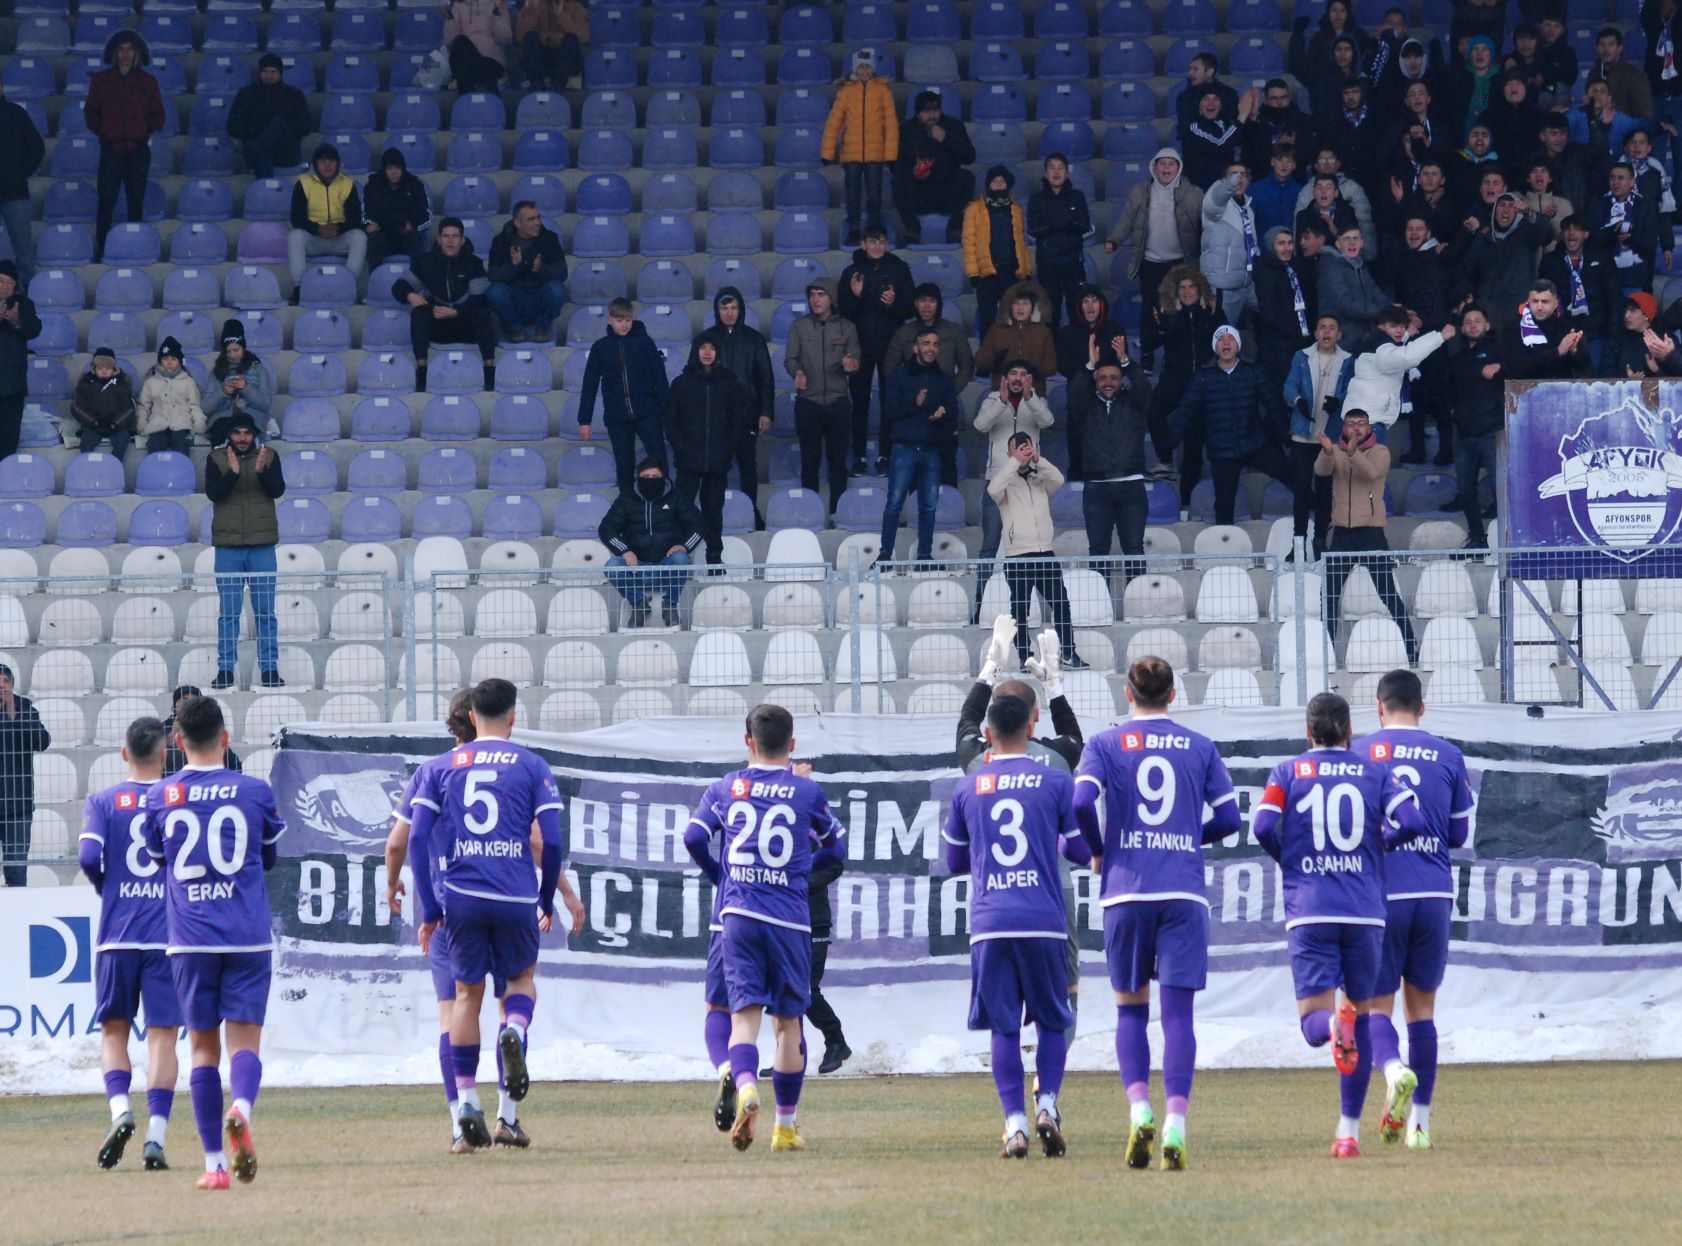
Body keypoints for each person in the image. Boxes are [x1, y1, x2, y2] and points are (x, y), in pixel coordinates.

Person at [387, 689, 582, 1152]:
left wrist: (412, 896)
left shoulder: (432, 771)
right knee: (516, 991)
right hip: (512, 893)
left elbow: (401, 841)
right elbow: (543, 842)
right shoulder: (527, 766)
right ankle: (507, 1114)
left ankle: (462, 1117)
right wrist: (557, 894)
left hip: (453, 903)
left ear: (466, 720)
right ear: (511, 716)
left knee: (457, 1005)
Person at [1073, 656, 1240, 1171]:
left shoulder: (1104, 744)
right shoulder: (1199, 746)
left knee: (1130, 1010)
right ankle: (1176, 1124)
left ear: (1128, 694)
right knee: (1179, 1016)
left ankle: (1139, 1109)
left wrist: (1101, 849)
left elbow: (1081, 803)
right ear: (1173, 696)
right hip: (1182, 892)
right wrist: (1189, 835)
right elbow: (1231, 820)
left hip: (1126, 893)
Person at [1251, 692, 1424, 1159]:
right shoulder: (1373, 770)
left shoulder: (1287, 772)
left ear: (1308, 732)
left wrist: (1292, 861)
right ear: (1350, 731)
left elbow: (1263, 826)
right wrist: (1380, 846)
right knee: (1364, 1019)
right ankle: (1347, 1133)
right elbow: (1412, 819)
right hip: (1365, 911)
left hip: (1311, 907)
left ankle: (1336, 1024)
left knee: (1314, 1024)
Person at [684, 704, 846, 1153]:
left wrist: (723, 876)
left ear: (747, 742)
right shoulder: (806, 792)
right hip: (788, 919)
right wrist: (800, 871)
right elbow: (838, 850)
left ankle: (745, 1083)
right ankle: (786, 1127)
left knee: (741, 1018)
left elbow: (694, 839)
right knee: (789, 1025)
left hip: (736, 915)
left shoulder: (725, 787)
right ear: (791, 746)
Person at [142, 694, 285, 1188]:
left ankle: (214, 1167)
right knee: (245, 1042)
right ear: (226, 738)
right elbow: (268, 858)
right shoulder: (254, 791)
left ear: (178, 743)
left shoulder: (160, 796)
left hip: (190, 939)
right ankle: (241, 1108)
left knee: (203, 1050)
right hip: (245, 935)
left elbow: (159, 858)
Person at [944, 692, 1088, 1159]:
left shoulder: (969, 785)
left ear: (987, 735)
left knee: (1003, 1028)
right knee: (1052, 1018)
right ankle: (1046, 1103)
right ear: (1031, 726)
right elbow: (1080, 851)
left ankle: (1015, 1126)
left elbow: (952, 861)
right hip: (1044, 919)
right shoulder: (1055, 781)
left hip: (992, 921)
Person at [1354, 670, 1476, 1152]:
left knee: (1375, 1008)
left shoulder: (1360, 754)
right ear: (1421, 708)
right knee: (1422, 1011)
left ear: (1379, 707)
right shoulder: (1448, 755)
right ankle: (1419, 1126)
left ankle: (1393, 1070)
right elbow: (1459, 835)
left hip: (1381, 896)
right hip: (1432, 892)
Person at [80, 716, 181, 1172]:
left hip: (117, 935)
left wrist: (109, 888)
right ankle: (156, 1137)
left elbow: (86, 855)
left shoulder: (104, 801)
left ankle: (121, 1112)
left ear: (125, 754)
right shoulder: (174, 798)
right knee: (163, 1038)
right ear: (165, 754)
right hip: (166, 936)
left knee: (114, 1031)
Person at [1316, 408, 1417, 662]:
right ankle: (1326, 650)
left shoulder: (1380, 451)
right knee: (1329, 594)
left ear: (1370, 427)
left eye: (1361, 423)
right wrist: (1328, 452)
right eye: (1351, 423)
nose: (1356, 428)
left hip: (1371, 532)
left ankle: (1410, 646)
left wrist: (1354, 454)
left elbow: (1372, 472)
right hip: (1341, 533)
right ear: (1344, 427)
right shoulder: (1336, 450)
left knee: (1387, 593)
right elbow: (1321, 471)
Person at [1172, 325, 1291, 527]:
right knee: (1224, 504)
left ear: (1238, 345)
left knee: (1294, 477)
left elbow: (1273, 406)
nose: (1226, 342)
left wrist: (1286, 437)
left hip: (1255, 443)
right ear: (1214, 347)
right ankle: (1224, 548)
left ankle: (1319, 519)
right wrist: (1172, 438)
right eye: (1221, 339)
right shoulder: (1203, 376)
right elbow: (1186, 409)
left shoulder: (1254, 372)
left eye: (1231, 338)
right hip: (1222, 450)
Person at [990, 432, 1086, 670]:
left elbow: (1058, 479)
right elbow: (993, 490)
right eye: (1018, 448)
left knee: (1061, 603)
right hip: (1018, 555)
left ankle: (1068, 653)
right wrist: (1015, 462)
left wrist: (1037, 460)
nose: (1024, 451)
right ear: (1009, 453)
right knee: (1020, 609)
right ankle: (1025, 657)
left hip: (1045, 552)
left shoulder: (1039, 478)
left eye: (1027, 447)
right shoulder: (1004, 480)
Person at [205, 413, 286, 691]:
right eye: (237, 433)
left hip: (262, 545)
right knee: (229, 613)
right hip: (228, 547)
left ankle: (270, 668)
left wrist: (262, 471)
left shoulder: (270, 456)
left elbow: (277, 490)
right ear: (230, 435)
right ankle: (225, 669)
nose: (242, 438)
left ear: (254, 435)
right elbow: (214, 493)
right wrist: (232, 473)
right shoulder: (216, 459)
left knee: (265, 612)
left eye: (247, 433)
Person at [973, 363, 1054, 619]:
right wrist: (1002, 402)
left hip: (1029, 483)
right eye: (1013, 375)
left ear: (1029, 379)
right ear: (1004, 378)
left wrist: (1030, 398)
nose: (1017, 379)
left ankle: (1039, 610)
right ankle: (980, 607)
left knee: (1034, 546)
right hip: (997, 481)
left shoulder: (1036, 401)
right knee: (989, 545)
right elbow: (980, 425)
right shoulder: (993, 399)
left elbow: (1047, 421)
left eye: (1022, 375)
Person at [1106, 149, 1203, 361]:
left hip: (1179, 263)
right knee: (1149, 310)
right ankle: (1148, 355)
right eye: (1162, 164)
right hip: (1150, 262)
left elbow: (1203, 224)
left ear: (1179, 168)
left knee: (1179, 309)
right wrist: (1114, 240)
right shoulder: (1140, 192)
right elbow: (1127, 220)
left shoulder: (1193, 193)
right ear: (1154, 167)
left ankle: (1177, 356)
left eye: (1171, 164)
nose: (1167, 168)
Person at [690, 289, 775, 528]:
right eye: (724, 308)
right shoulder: (705, 339)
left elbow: (765, 379)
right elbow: (692, 379)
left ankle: (750, 512)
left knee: (748, 468)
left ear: (741, 310)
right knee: (715, 470)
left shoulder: (754, 339)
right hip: (713, 419)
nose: (729, 313)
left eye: (734, 308)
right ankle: (715, 515)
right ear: (717, 311)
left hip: (746, 417)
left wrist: (766, 411)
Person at [837, 225, 915, 474]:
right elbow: (844, 312)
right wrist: (857, 295)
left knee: (889, 401)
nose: (877, 246)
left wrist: (893, 304)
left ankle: (885, 455)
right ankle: (859, 455)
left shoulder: (900, 270)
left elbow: (909, 309)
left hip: (891, 345)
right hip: (860, 345)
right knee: (859, 401)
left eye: (882, 241)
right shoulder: (851, 272)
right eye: (872, 241)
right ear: (863, 244)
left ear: (887, 243)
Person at [665, 332, 747, 567]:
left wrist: (727, 449)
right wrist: (681, 448)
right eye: (703, 347)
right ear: (696, 351)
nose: (707, 352)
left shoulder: (730, 383)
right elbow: (670, 422)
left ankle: (714, 558)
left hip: (718, 462)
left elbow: (737, 421)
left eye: (712, 347)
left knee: (713, 511)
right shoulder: (681, 384)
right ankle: (679, 559)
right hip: (688, 461)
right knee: (682, 511)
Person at [878, 327, 959, 566]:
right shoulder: (899, 376)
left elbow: (954, 413)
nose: (931, 348)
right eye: (926, 343)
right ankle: (885, 555)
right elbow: (889, 410)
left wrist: (943, 413)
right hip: (903, 448)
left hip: (931, 450)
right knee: (894, 503)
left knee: (929, 506)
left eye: (935, 344)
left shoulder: (944, 379)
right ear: (915, 347)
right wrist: (914, 403)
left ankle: (924, 556)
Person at [392, 218, 497, 395]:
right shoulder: (425, 262)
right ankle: (422, 372)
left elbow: (478, 300)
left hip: (465, 324)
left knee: (483, 314)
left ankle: (489, 371)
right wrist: (410, 295)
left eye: (455, 236)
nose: (450, 241)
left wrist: (456, 312)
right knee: (418, 313)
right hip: (438, 322)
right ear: (438, 240)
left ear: (462, 240)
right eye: (446, 236)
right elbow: (398, 287)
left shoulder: (474, 264)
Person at [883, 283, 975, 485]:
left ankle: (949, 510)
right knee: (914, 473)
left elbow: (966, 367)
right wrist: (909, 398)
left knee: (947, 464)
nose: (927, 306)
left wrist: (948, 393)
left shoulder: (954, 331)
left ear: (938, 304)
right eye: (922, 300)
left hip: (944, 409)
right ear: (915, 304)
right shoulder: (904, 333)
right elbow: (890, 368)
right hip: (912, 411)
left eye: (931, 300)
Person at [85, 31, 164, 261]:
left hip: (138, 150)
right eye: (121, 49)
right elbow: (91, 112)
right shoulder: (100, 80)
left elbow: (158, 115)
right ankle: (102, 249)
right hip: (111, 150)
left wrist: (142, 131)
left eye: (130, 49)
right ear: (114, 53)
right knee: (106, 201)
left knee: (135, 201)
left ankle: (135, 249)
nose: (125, 54)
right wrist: (105, 131)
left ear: (138, 53)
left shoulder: (148, 82)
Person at [578, 298, 671, 492]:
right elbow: (590, 384)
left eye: (627, 320)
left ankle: (664, 502)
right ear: (610, 320)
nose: (624, 325)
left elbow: (660, 378)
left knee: (659, 458)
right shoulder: (600, 347)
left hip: (647, 413)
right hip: (617, 417)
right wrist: (584, 420)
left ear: (633, 319)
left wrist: (665, 411)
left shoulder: (644, 343)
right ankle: (628, 508)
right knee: (624, 465)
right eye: (620, 320)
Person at [784, 279, 860, 515]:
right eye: (812, 295)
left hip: (838, 402)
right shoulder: (800, 326)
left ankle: (838, 513)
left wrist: (851, 365)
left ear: (832, 298)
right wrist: (796, 372)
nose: (815, 299)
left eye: (821, 294)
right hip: (809, 402)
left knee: (838, 463)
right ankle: (810, 512)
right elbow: (790, 358)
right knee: (810, 461)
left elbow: (856, 359)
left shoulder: (847, 328)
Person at [598, 458, 702, 628]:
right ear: (638, 477)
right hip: (636, 566)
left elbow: (698, 525)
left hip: (666, 565)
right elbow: (606, 529)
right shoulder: (626, 499)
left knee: (682, 559)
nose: (650, 480)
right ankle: (638, 604)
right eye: (645, 476)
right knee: (612, 566)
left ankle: (670, 605)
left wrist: (684, 546)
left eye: (655, 476)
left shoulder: (675, 497)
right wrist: (625, 551)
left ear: (663, 477)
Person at [1337, 305, 1455, 442]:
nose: (1399, 330)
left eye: (1402, 326)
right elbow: (1406, 357)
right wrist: (1439, 337)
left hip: (1364, 419)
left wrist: (1407, 335)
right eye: (1393, 326)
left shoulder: (1375, 342)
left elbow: (1395, 347)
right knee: (1369, 463)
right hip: (1367, 423)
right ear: (1381, 327)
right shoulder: (1381, 349)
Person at [1079, 361, 1153, 577]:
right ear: (1095, 380)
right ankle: (1100, 607)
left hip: (1131, 486)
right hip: (1096, 488)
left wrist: (1127, 363)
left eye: (1114, 377)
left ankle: (1137, 607)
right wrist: (1089, 366)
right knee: (1099, 551)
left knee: (1134, 549)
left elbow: (1144, 388)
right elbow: (1074, 392)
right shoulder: (1085, 406)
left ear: (1122, 381)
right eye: (1102, 377)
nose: (1108, 382)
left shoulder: (1135, 404)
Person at [1150, 266, 1220, 494]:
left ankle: (1187, 497)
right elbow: (1152, 340)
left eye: (1192, 287)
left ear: (1200, 289)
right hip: (1174, 379)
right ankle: (1165, 460)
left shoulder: (1212, 311)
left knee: (1194, 438)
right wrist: (1162, 320)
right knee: (1154, 413)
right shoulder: (1167, 313)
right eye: (1182, 287)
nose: (1188, 291)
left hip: (1203, 382)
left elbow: (1226, 339)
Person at [1284, 314, 1350, 557]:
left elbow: (1350, 390)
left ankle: (1320, 538)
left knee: (1325, 490)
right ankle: (1298, 543)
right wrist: (1298, 400)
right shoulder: (1302, 357)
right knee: (1301, 489)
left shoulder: (1347, 360)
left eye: (1332, 328)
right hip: (1303, 433)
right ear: (1315, 333)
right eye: (1322, 327)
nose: (1326, 332)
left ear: (1339, 335)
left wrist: (1339, 402)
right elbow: (1289, 386)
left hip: (1329, 436)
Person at [821, 49, 898, 248]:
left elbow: (890, 124)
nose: (865, 71)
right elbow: (834, 122)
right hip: (851, 154)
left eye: (868, 67)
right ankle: (854, 228)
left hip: (875, 153)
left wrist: (890, 154)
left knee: (874, 194)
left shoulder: (883, 91)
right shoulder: (846, 91)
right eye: (861, 67)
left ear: (873, 69)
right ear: (855, 69)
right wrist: (827, 152)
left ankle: (874, 228)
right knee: (853, 192)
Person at [1057, 285, 1129, 479]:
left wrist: (1103, 373)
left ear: (1102, 304)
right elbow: (1063, 365)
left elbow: (1122, 363)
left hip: (1108, 398)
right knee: (1078, 445)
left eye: (1094, 300)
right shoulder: (1067, 333)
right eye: (1085, 301)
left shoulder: (1114, 330)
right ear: (1078, 306)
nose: (1090, 306)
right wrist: (1089, 367)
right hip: (1079, 397)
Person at [1447, 305, 1504, 549]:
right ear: (1462, 328)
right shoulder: (1456, 357)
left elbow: (1522, 365)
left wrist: (1502, 366)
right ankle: (1478, 540)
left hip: (1492, 432)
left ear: (1487, 325)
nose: (1472, 325)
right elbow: (1446, 390)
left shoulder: (1499, 352)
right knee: (1466, 491)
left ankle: (1506, 541)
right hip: (1464, 434)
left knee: (1499, 489)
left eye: (1478, 320)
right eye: (1468, 321)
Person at [893, 90, 976, 245]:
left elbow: (969, 157)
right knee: (898, 180)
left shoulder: (954, 126)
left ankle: (955, 228)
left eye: (935, 110)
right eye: (926, 111)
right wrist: (913, 172)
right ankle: (912, 229)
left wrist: (946, 139)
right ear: (918, 113)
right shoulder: (905, 130)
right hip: (919, 190)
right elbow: (894, 165)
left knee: (967, 177)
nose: (932, 115)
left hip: (947, 188)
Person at [1453, 193, 1542, 335]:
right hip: (1487, 308)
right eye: (1501, 205)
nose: (1505, 210)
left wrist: (1529, 212)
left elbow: (1542, 230)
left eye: (1511, 206)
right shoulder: (1483, 238)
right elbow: (1468, 269)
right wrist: (1465, 295)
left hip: (1516, 310)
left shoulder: (1525, 235)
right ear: (1494, 211)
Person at [963, 166, 1034, 337]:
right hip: (987, 274)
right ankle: (987, 361)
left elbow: (1021, 242)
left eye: (1002, 181)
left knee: (1013, 319)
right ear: (988, 185)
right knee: (988, 320)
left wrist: (1026, 269)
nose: (998, 184)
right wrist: (973, 273)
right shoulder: (974, 209)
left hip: (1011, 272)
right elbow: (969, 241)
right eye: (995, 181)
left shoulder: (1015, 209)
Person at [486, 200, 569, 344]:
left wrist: (541, 269)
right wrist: (514, 266)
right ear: (517, 223)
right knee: (494, 292)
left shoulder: (550, 238)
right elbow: (493, 275)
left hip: (539, 296)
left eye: (538, 217)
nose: (537, 222)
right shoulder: (500, 241)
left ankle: (542, 327)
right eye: (531, 219)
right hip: (514, 297)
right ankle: (514, 328)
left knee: (558, 290)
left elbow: (562, 273)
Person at [286, 144, 368, 287]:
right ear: (316, 164)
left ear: (337, 163)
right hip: (314, 238)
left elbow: (355, 217)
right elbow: (297, 217)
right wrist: (318, 229)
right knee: (295, 236)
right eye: (322, 161)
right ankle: (298, 287)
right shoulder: (303, 183)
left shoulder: (347, 183)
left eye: (331, 161)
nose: (327, 165)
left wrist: (338, 228)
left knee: (359, 236)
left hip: (339, 237)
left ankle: (350, 284)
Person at [1027, 154, 1092, 330]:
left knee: (1077, 311)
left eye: (1060, 167)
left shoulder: (1077, 197)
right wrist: (1064, 221)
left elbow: (1083, 225)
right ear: (1045, 174)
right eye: (1052, 168)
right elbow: (1034, 229)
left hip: (1073, 264)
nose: (1056, 172)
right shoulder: (1036, 200)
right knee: (1050, 314)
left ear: (1067, 173)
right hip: (1047, 264)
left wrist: (1056, 223)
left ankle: (1078, 354)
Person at [0, 662, 50, 888]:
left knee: (16, 871)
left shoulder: (24, 708)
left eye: (6, 682)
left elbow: (42, 742)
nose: (2, 688)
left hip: (17, 807)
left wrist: (14, 713)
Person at [1199, 163, 1262, 337]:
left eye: (1243, 174)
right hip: (1223, 288)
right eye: (1234, 174)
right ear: (1223, 181)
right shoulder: (1216, 204)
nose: (1239, 178)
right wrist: (1228, 185)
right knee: (1222, 337)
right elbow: (1217, 197)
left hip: (1246, 284)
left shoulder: (1248, 209)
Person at [225, 54, 310, 181]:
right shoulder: (246, 95)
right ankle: (265, 195)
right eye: (265, 71)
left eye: (273, 72)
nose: (269, 76)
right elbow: (233, 126)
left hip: (285, 151)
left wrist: (279, 130)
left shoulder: (294, 95)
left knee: (278, 123)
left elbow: (306, 126)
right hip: (259, 148)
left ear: (280, 73)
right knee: (263, 154)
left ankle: (252, 151)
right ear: (260, 72)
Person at [1253, 227, 1316, 389]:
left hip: (1299, 341)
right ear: (1271, 246)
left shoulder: (1295, 269)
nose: (1287, 248)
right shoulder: (1266, 273)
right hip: (1279, 347)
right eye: (1281, 243)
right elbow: (1269, 314)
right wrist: (1294, 333)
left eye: (1289, 243)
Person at [0, 71, 45, 288]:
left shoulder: (16, 114)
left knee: (23, 250)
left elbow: (37, 147)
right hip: (15, 191)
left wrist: (20, 172)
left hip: (15, 193)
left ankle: (27, 300)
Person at [1316, 224, 1392, 348]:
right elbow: (1347, 305)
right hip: (1343, 341)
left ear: (1362, 242)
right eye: (1347, 239)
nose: (1352, 243)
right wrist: (1385, 310)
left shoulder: (1361, 266)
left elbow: (1376, 294)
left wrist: (1393, 309)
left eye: (1356, 238)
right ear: (1338, 244)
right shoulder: (1331, 268)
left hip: (1364, 337)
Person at [1589, 161, 1661, 292]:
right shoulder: (1597, 204)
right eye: (1612, 178)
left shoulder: (1646, 207)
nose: (1615, 182)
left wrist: (1631, 238)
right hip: (1605, 277)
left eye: (1621, 178)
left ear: (1632, 182)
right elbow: (1592, 239)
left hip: (1638, 277)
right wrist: (1612, 234)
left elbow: (1650, 244)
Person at [202, 321, 273, 449]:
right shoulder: (217, 372)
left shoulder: (258, 369)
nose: (232, 355)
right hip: (223, 419)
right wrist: (223, 391)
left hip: (252, 418)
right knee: (221, 431)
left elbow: (265, 403)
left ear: (244, 348)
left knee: (243, 431)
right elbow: (206, 407)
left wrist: (246, 388)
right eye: (228, 351)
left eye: (236, 350)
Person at [1504, 278, 1592, 379]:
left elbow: (1584, 366)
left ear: (1555, 304)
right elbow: (1515, 366)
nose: (1539, 307)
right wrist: (1557, 352)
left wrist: (1575, 351)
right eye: (1535, 301)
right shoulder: (1515, 327)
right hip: (1525, 390)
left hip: (1561, 389)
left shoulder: (1565, 326)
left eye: (1545, 302)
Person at [362, 147, 433, 269]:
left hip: (407, 234)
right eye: (389, 168)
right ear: (384, 169)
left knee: (415, 240)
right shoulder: (372, 187)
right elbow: (366, 216)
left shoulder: (415, 185)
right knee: (374, 241)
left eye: (397, 168)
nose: (394, 172)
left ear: (403, 169)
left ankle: (416, 280)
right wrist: (372, 226)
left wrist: (413, 226)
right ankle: (375, 279)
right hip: (383, 234)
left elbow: (427, 217)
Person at [977, 285, 1059, 390]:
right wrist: (995, 361)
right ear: (1009, 307)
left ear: (1033, 308)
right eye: (1016, 303)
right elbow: (980, 361)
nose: (1020, 308)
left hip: (1033, 392)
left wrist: (1030, 370)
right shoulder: (996, 330)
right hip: (1001, 392)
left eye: (1025, 303)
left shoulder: (1043, 332)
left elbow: (1051, 366)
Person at [136, 337, 205, 456]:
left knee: (181, 447)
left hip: (181, 425)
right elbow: (144, 406)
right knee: (155, 446)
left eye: (173, 359)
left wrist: (198, 425)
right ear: (160, 361)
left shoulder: (188, 381)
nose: (169, 362)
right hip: (157, 425)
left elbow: (194, 405)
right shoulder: (150, 382)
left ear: (179, 361)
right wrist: (142, 426)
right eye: (165, 358)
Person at [162, 685, 242, 775]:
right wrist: (172, 733)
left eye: (193, 700)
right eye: (184, 699)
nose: (189, 703)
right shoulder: (164, 726)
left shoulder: (209, 724)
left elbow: (235, 765)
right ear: (174, 705)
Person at [71, 347, 137, 457]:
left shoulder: (122, 383)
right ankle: (87, 468)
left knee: (122, 440)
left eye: (108, 368)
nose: (104, 371)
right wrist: (92, 421)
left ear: (114, 369)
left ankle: (114, 466)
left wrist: (116, 423)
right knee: (86, 443)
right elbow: (76, 407)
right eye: (100, 368)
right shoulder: (86, 383)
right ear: (94, 369)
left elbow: (129, 408)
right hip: (93, 425)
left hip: (116, 426)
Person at [1643, 0, 1682, 177]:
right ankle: (1655, 202)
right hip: (1656, 96)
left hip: (1679, 97)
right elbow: (1648, 20)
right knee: (1654, 157)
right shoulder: (1652, 16)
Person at [444, 0, 513, 94]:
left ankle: (468, 97)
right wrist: (450, 18)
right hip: (466, 62)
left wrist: (496, 16)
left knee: (467, 73)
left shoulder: (497, 4)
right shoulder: (458, 5)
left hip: (491, 62)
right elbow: (450, 40)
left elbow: (504, 39)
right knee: (460, 42)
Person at [515, 0, 587, 90]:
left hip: (565, 60)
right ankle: (537, 84)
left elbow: (583, 37)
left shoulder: (575, 8)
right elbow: (520, 36)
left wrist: (560, 16)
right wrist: (535, 15)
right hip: (541, 59)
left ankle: (558, 84)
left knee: (570, 39)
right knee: (531, 37)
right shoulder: (531, 7)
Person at [1589, 25, 1654, 120]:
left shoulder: (1634, 75)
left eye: (1611, 45)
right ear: (1596, 48)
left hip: (1626, 129)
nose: (1606, 50)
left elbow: (1644, 113)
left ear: (1620, 48)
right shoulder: (1593, 74)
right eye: (1602, 45)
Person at [1252, 143, 1307, 240]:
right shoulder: (1256, 189)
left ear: (1294, 165)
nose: (1284, 165)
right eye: (1280, 160)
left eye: (1289, 161)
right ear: (1272, 162)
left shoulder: (1301, 191)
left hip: (1290, 247)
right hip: (1262, 247)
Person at [1603, 291, 1664, 378]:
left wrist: (1657, 371)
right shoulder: (1616, 340)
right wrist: (1626, 381)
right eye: (1626, 310)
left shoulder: (1664, 341)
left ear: (1646, 315)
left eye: (1633, 310)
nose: (1626, 316)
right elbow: (1605, 373)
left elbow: (1676, 381)